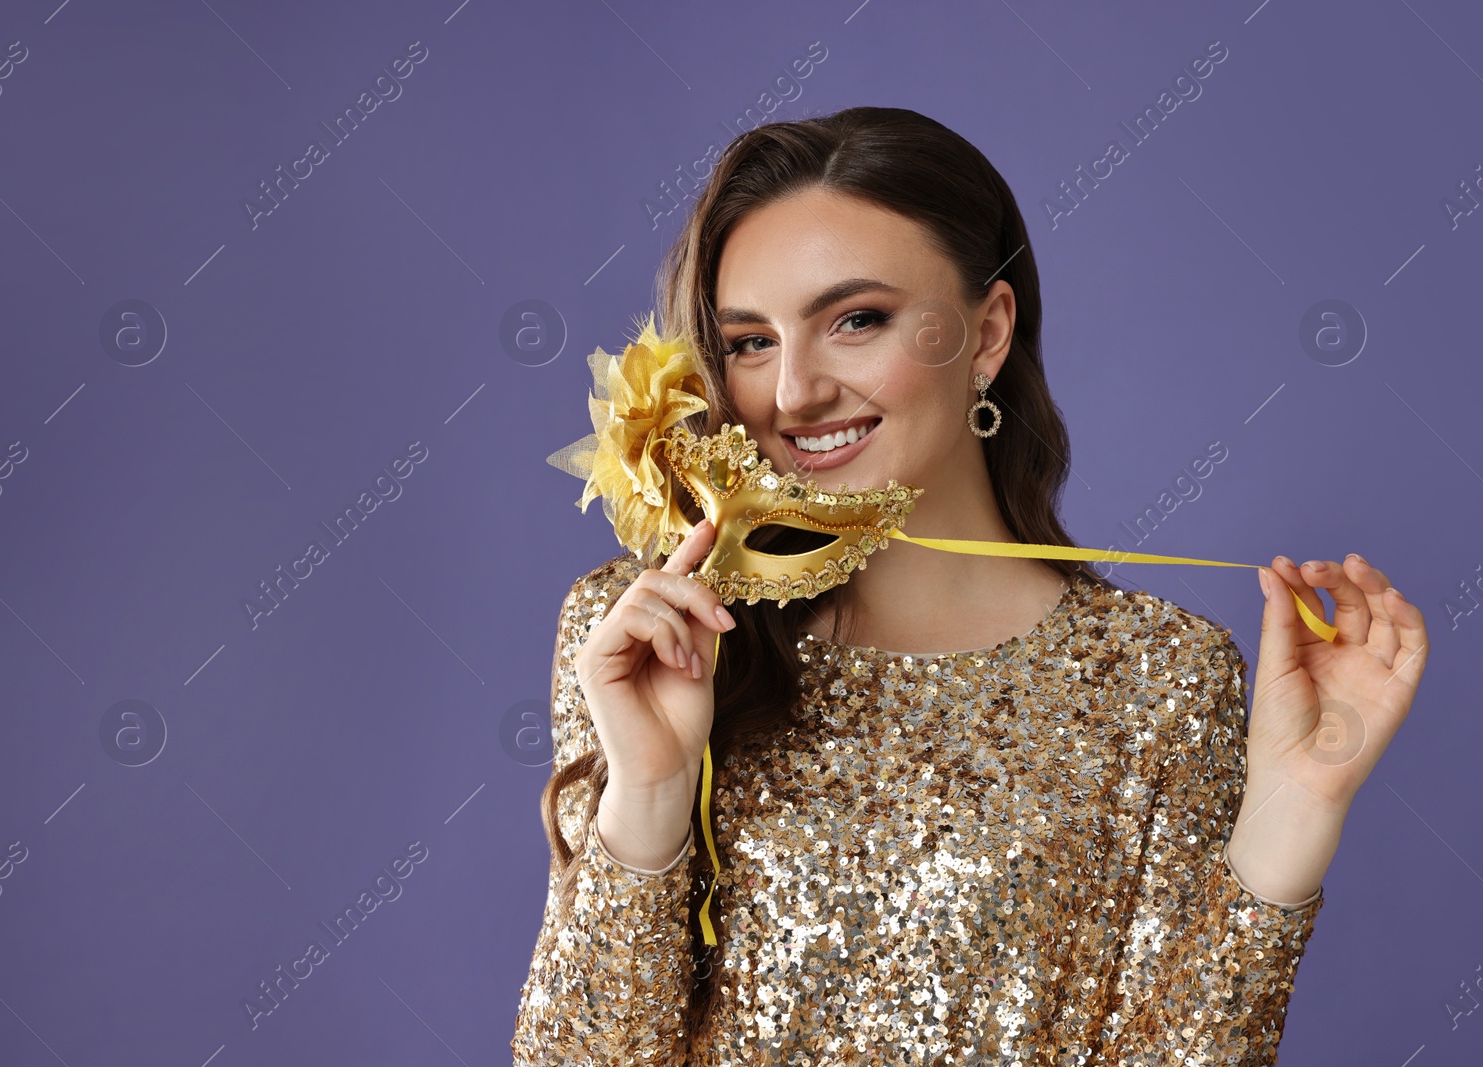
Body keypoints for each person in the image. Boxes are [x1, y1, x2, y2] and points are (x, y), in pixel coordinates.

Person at [511, 106, 1428, 1064]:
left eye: (856, 320)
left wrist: (1296, 807)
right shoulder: (655, 636)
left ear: (985, 334)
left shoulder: (1163, 677)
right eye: (750, 342)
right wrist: (651, 792)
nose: (792, 394)